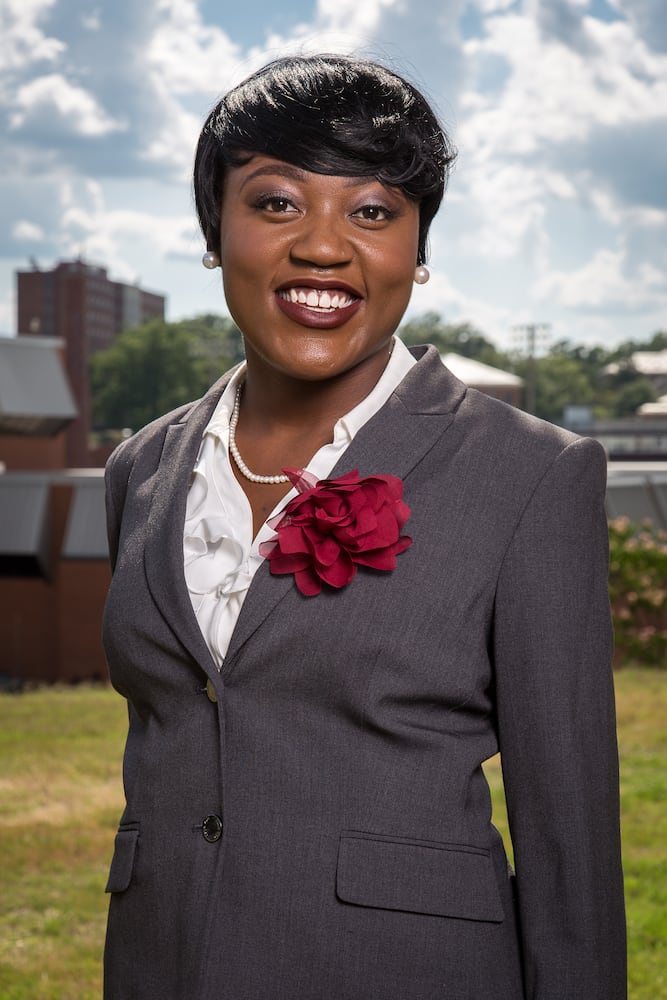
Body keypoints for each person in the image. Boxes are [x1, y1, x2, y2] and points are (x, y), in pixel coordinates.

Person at [102, 54, 626, 1000]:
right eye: (275, 203)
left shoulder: (534, 473)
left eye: (373, 211)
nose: (324, 246)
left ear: (418, 249)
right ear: (213, 232)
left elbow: (568, 836)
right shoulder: (138, 470)